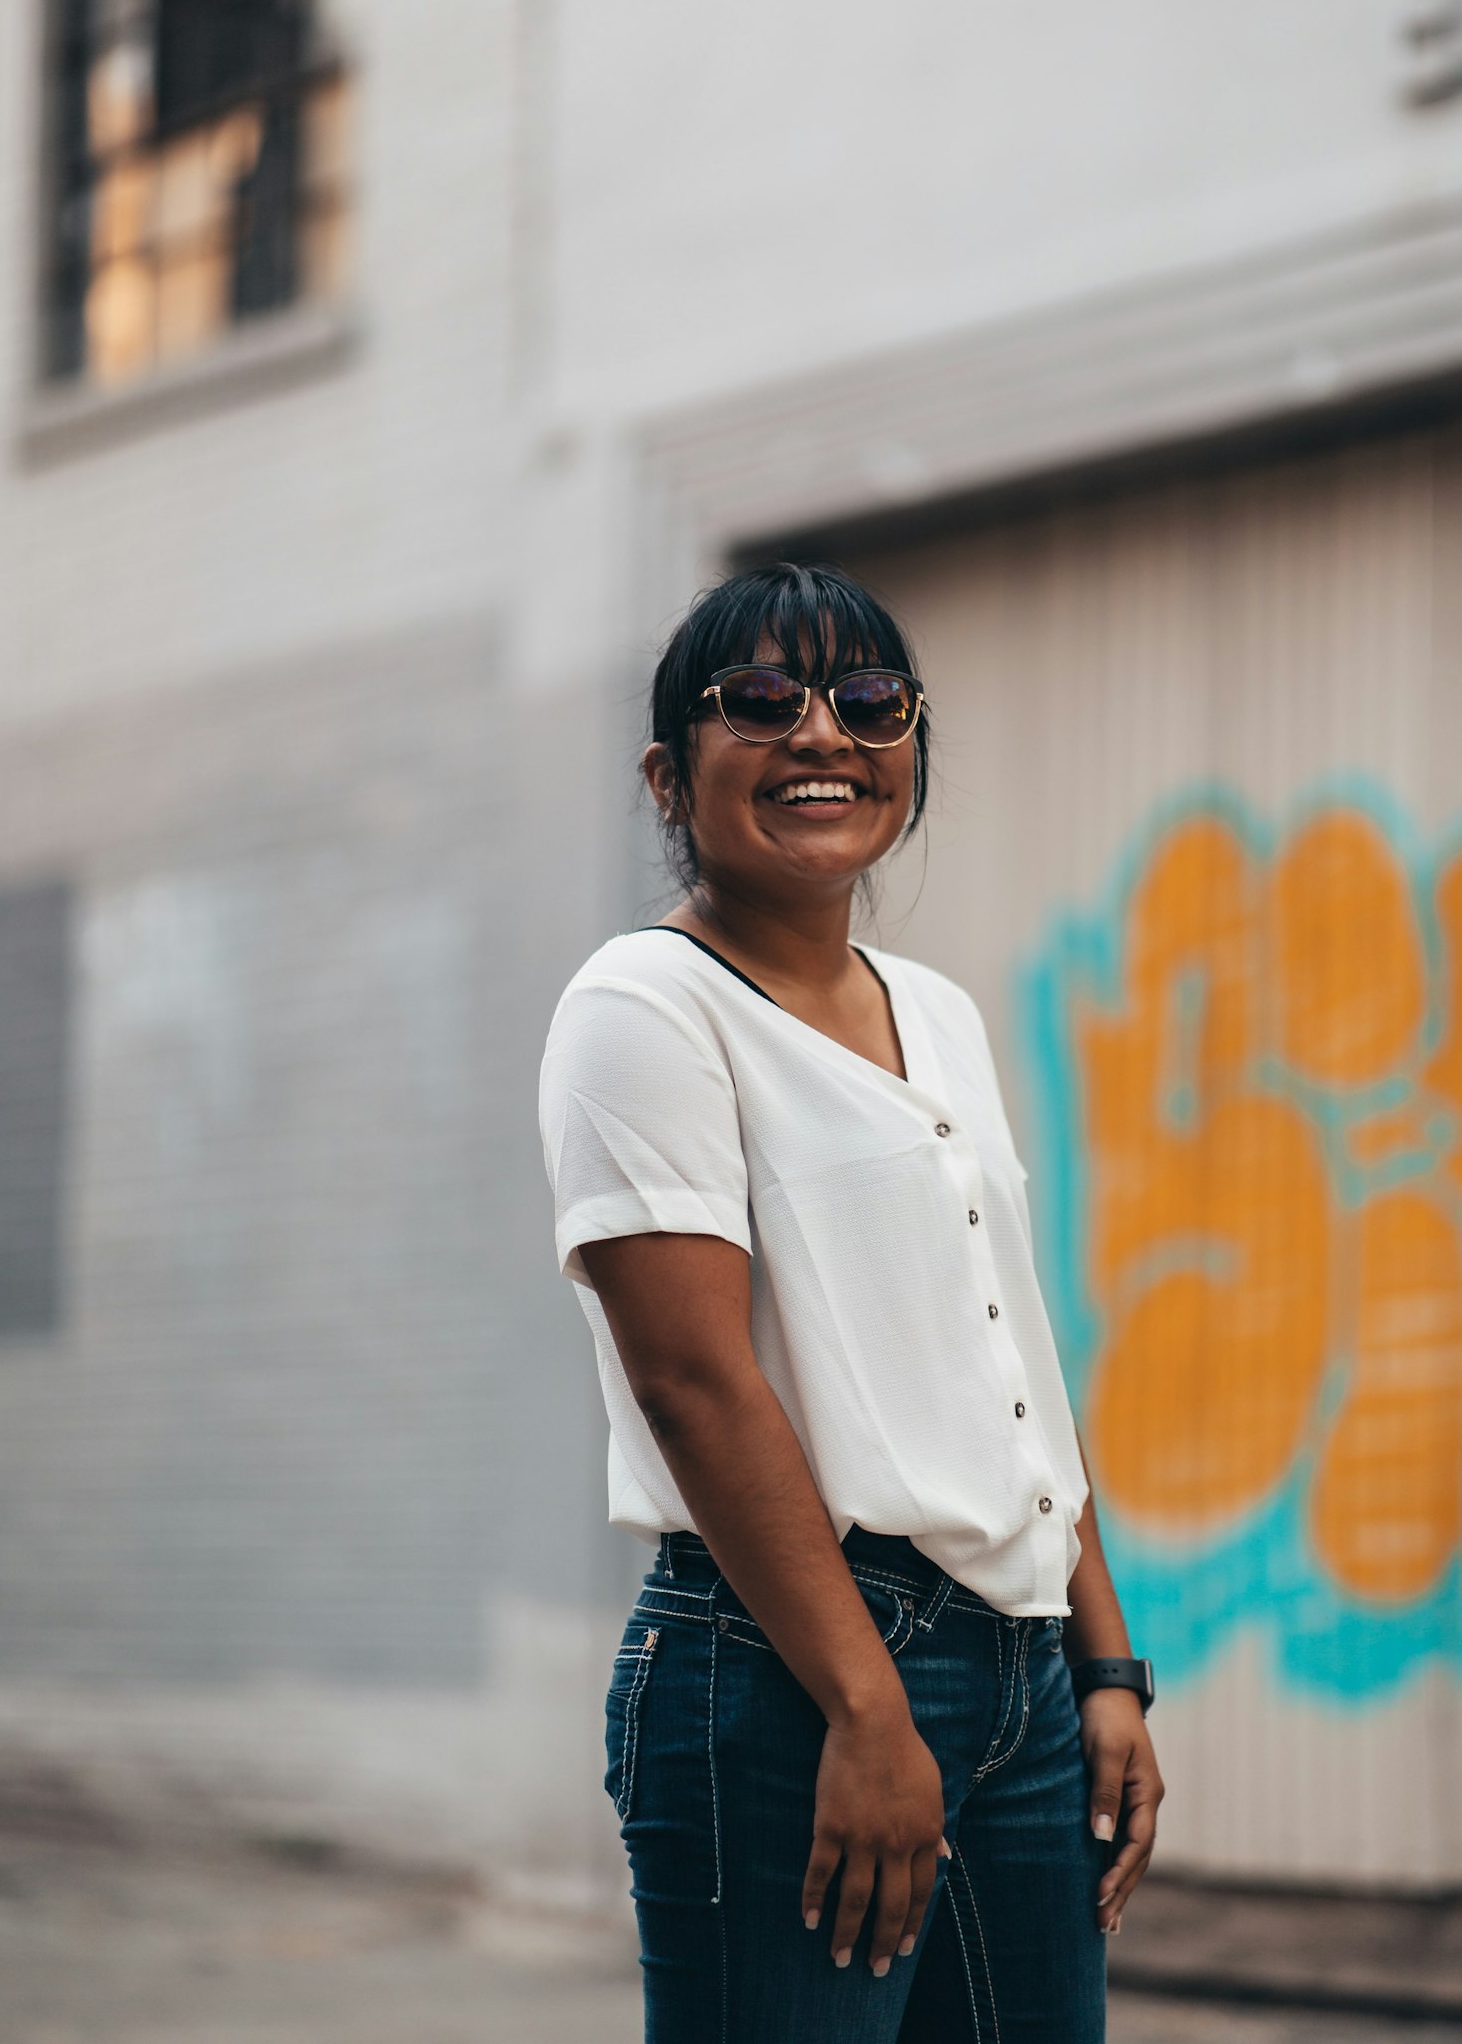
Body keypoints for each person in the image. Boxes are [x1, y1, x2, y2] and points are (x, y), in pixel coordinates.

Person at [538, 561, 1163, 2041]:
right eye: (761, 699)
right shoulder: (646, 1007)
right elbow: (695, 1384)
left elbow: (1006, 1358)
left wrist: (1106, 1667)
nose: (823, 732)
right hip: (792, 1675)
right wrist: (871, 1709)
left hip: (1019, 1677)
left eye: (869, 701)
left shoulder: (934, 1010)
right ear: (666, 776)